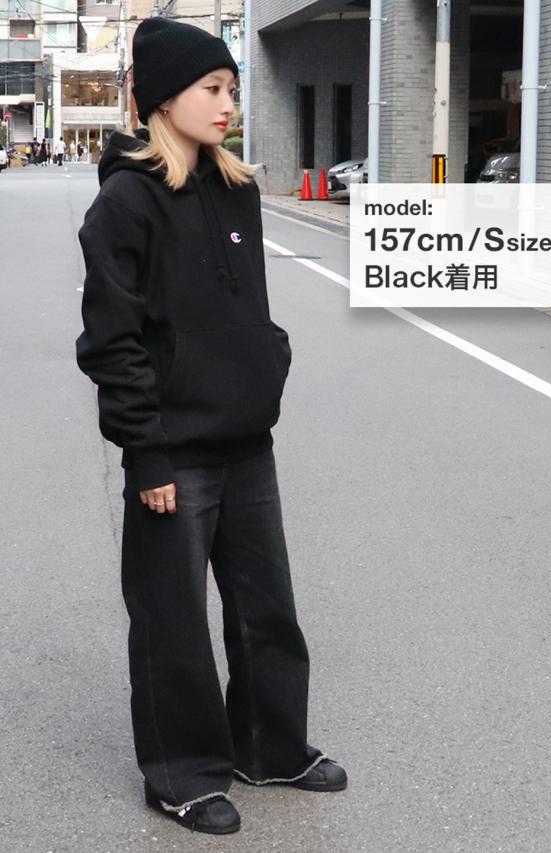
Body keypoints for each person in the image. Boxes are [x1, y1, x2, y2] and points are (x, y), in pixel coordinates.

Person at [74, 16, 347, 838]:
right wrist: (146, 453)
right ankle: (183, 773)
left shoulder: (236, 189)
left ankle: (270, 746)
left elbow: (248, 307)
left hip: (246, 442)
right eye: (213, 88)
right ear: (166, 98)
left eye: (232, 87)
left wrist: (268, 362)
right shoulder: (125, 203)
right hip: (173, 451)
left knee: (268, 610)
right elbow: (112, 342)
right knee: (173, 622)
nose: (228, 103)